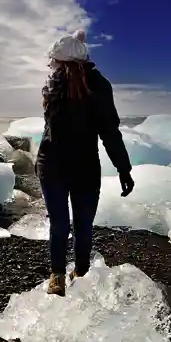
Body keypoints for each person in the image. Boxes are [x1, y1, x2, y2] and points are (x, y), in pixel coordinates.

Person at [36, 29, 135, 296]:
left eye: (53, 61)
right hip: (85, 167)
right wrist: (123, 168)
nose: (51, 65)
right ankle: (80, 273)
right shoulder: (99, 85)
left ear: (60, 62)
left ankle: (56, 278)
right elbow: (109, 131)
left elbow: (52, 130)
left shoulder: (52, 87)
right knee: (83, 225)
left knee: (59, 224)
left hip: (51, 165)